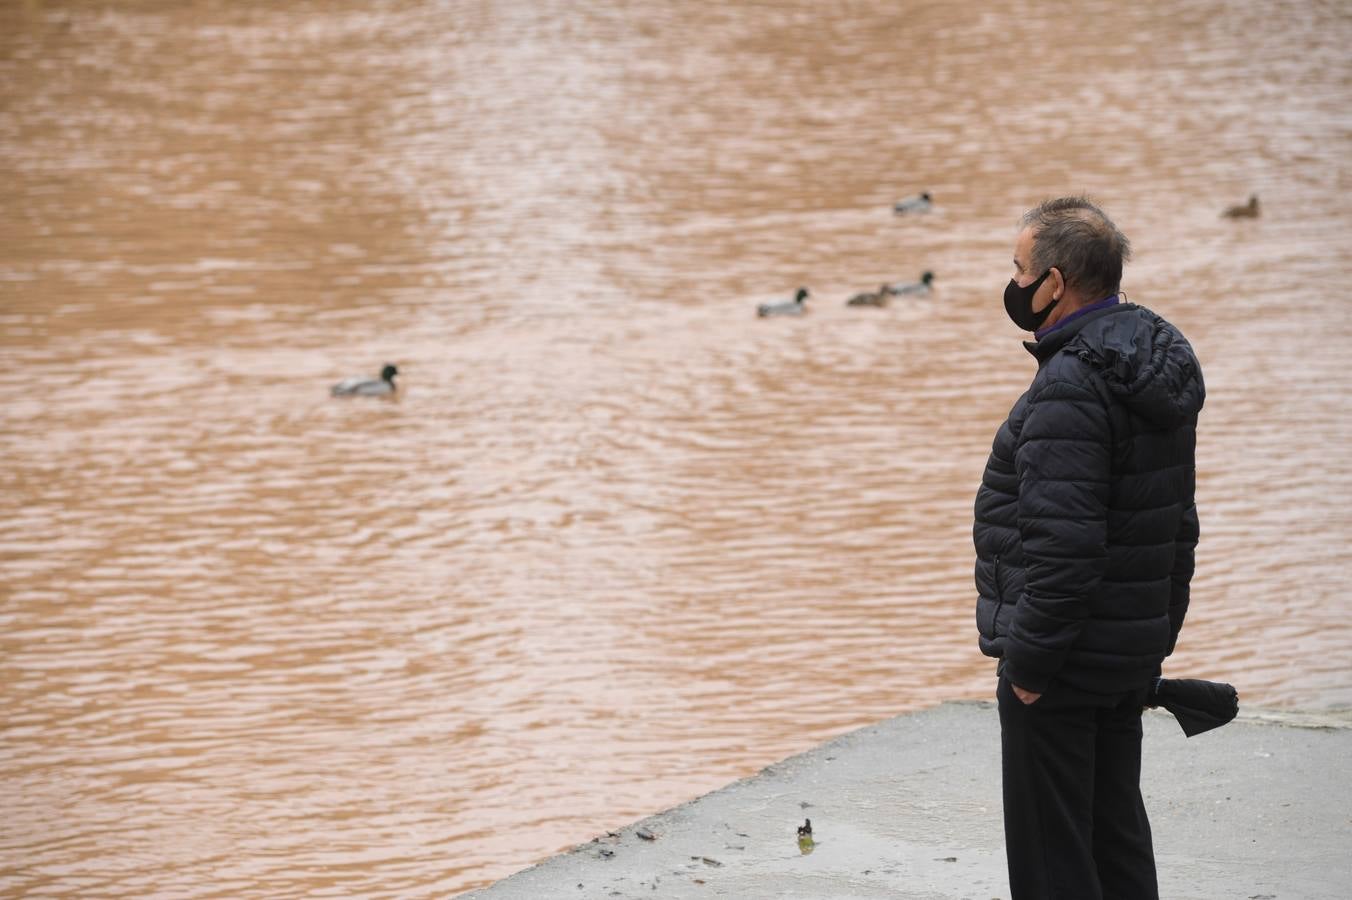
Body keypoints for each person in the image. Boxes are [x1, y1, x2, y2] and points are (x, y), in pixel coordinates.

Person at [972, 197, 1205, 899]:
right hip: (1123, 652)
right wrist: (1153, 640)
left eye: (1019, 270)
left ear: (1055, 282)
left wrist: (1030, 666)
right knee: (1115, 840)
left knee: (1055, 861)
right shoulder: (1151, 360)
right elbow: (1179, 525)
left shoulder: (1070, 385)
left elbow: (1065, 547)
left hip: (1063, 664)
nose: (1013, 286)